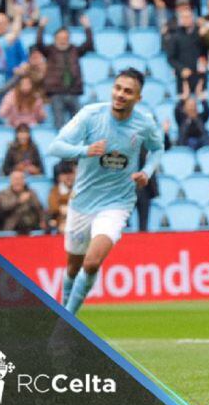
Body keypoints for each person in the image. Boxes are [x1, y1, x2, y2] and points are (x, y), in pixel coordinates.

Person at [46, 69, 165, 314]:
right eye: (118, 88)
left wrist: (147, 171)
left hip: (117, 203)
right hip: (82, 202)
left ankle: (66, 325)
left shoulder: (144, 123)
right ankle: (62, 311)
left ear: (138, 98)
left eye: (128, 91)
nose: (120, 94)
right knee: (73, 266)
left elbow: (157, 148)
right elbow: (55, 147)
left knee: (91, 263)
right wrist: (84, 150)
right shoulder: (91, 115)